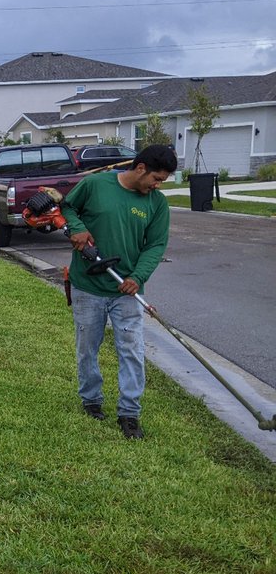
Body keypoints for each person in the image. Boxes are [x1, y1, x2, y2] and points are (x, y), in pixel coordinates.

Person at [60, 144, 177, 439]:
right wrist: (77, 228)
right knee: (87, 348)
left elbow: (155, 245)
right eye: (157, 179)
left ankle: (129, 413)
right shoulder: (95, 185)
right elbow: (67, 206)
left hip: (126, 291)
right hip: (88, 286)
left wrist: (137, 277)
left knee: (132, 350)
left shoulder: (157, 204)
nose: (157, 186)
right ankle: (91, 401)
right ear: (140, 169)